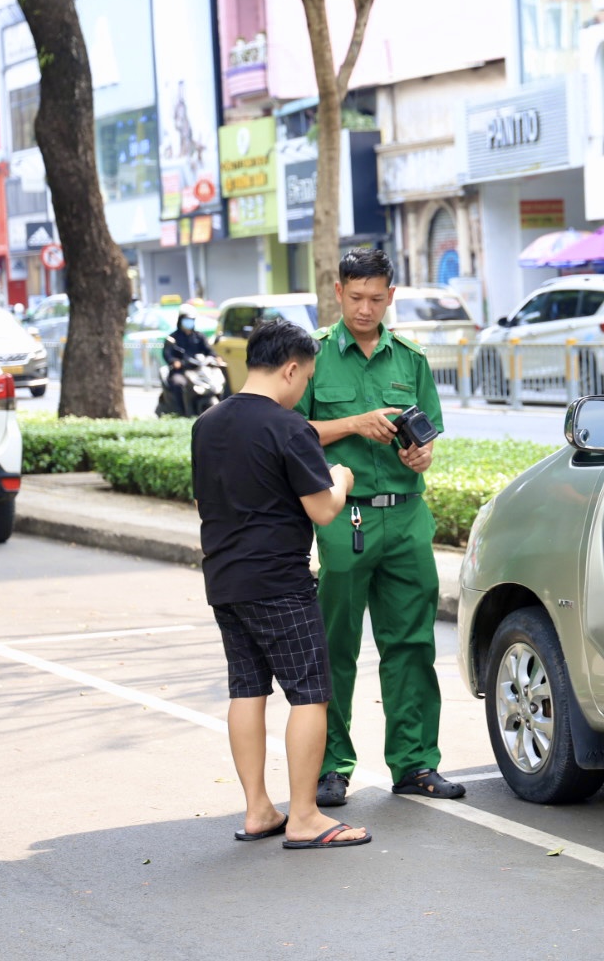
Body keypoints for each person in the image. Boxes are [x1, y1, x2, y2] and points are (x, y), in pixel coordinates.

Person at [191, 320, 370, 851]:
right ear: (291, 368)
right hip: (279, 580)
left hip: (224, 579)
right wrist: (341, 479)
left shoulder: (207, 423)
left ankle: (258, 810)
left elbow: (205, 503)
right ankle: (306, 817)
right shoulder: (289, 427)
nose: (304, 387)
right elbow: (324, 510)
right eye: (306, 376)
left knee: (247, 689)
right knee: (310, 693)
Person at [298, 247, 466, 807]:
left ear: (391, 296)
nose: (365, 309)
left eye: (376, 298)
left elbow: (428, 437)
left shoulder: (411, 359)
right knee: (335, 646)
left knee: (413, 644)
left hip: (408, 515)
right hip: (344, 515)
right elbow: (290, 434)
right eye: (355, 298)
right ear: (338, 292)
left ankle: (416, 764)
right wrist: (353, 423)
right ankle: (330, 768)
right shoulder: (315, 356)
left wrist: (424, 458)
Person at [163, 304, 216, 415]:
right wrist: (174, 361)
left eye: (191, 320)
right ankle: (182, 413)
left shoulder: (199, 336)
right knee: (179, 384)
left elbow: (208, 350)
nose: (189, 322)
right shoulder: (173, 337)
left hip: (198, 369)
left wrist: (216, 358)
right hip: (181, 370)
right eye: (186, 319)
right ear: (180, 320)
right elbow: (167, 354)